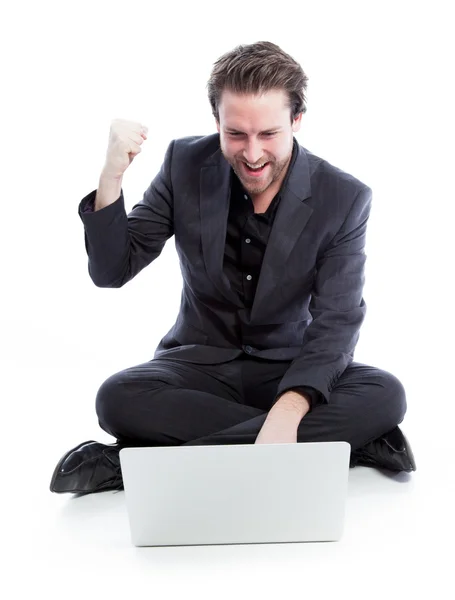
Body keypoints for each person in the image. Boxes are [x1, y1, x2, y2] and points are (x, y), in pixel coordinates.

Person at [50, 41, 416, 495]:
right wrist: (111, 177)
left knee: (386, 394)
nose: (253, 153)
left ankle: (135, 462)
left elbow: (337, 321)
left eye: (269, 134)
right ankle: (341, 445)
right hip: (200, 365)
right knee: (117, 400)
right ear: (217, 122)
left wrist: (291, 407)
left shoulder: (343, 197)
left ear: (297, 121)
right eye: (236, 134)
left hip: (288, 366)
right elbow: (112, 269)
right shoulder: (185, 164)